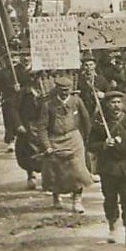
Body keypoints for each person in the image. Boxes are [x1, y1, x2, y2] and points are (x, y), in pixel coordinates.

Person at [88, 92, 126, 246]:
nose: (116, 106)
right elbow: (90, 145)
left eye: (118, 102)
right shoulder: (100, 123)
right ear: (107, 105)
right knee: (110, 199)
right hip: (108, 168)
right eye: (112, 102)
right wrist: (103, 145)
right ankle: (112, 228)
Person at [31, 76, 94, 214]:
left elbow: (86, 121)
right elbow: (42, 127)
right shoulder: (48, 104)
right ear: (56, 89)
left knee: (78, 169)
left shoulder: (77, 101)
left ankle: (77, 200)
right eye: (61, 90)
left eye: (67, 90)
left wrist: (89, 140)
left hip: (74, 138)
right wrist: (47, 145)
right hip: (55, 139)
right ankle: (56, 197)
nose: (64, 92)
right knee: (55, 170)